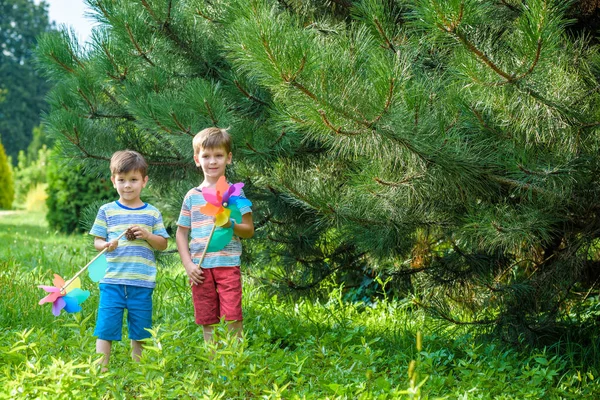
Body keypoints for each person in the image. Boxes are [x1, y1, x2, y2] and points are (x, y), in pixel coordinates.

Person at [89, 150, 169, 370]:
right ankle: (101, 368)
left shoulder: (152, 214)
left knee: (140, 330)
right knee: (105, 327)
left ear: (144, 181)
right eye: (122, 180)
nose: (127, 186)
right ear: (114, 180)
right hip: (112, 280)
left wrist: (148, 235)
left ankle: (139, 370)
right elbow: (97, 241)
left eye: (133, 180)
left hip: (141, 282)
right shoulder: (107, 211)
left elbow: (162, 244)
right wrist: (105, 245)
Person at [176, 127, 254, 343]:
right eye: (206, 156)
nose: (212, 161)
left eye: (218, 156)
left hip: (227, 264)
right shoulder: (192, 196)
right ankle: (214, 363)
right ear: (197, 159)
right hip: (200, 268)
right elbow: (181, 233)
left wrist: (231, 224)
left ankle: (235, 360)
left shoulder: (235, 194)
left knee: (232, 316)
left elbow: (248, 230)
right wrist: (188, 265)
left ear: (228, 158)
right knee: (207, 319)